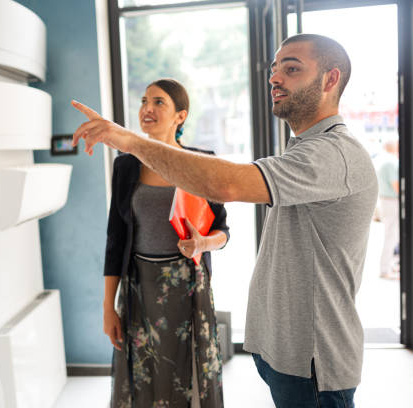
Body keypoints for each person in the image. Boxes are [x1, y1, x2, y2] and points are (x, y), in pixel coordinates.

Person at [71, 33, 378, 408]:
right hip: (285, 353)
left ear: (331, 80)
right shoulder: (305, 148)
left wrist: (130, 141)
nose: (275, 78)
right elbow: (116, 236)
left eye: (292, 68)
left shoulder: (333, 154)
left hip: (312, 361)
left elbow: (226, 184)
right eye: (274, 70)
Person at [104, 78, 229, 408]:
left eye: (159, 102)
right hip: (138, 287)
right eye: (145, 101)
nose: (147, 108)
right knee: (143, 374)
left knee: (188, 373)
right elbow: (115, 239)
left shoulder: (202, 162)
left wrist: (203, 243)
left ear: (180, 116)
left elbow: (223, 232)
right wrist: (108, 307)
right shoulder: (126, 165)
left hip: (187, 288)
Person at [376, 138, 399, 279]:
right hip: (391, 201)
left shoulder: (382, 159)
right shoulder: (391, 162)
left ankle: (388, 266)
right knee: (391, 235)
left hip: (385, 200)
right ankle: (385, 270)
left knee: (391, 234)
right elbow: (396, 185)